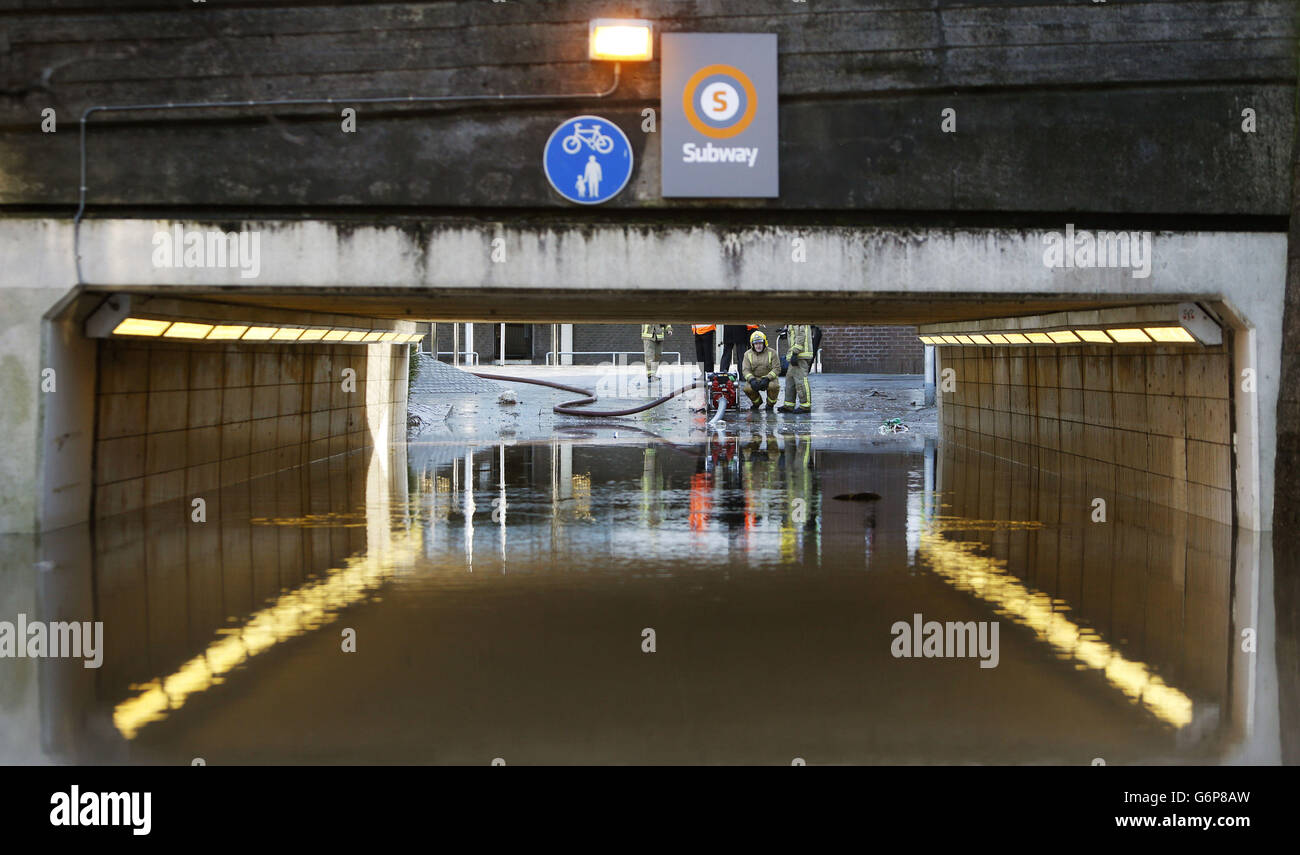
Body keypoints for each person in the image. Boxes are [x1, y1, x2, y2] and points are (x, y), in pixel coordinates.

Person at [741, 330, 781, 411]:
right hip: (755, 378)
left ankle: (770, 405)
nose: (758, 346)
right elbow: (745, 370)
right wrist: (751, 380)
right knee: (747, 388)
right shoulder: (747, 354)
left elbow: (777, 368)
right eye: (756, 343)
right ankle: (757, 403)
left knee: (774, 386)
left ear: (764, 343)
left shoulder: (772, 352)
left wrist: (767, 378)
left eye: (760, 343)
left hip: (769, 379)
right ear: (752, 344)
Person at [780, 323, 815, 413]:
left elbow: (802, 335)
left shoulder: (799, 318)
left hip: (800, 355)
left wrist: (795, 352)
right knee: (790, 380)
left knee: (801, 380)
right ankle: (789, 405)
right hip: (795, 355)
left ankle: (805, 405)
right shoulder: (792, 320)